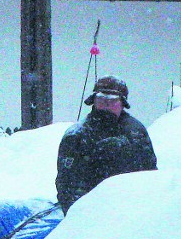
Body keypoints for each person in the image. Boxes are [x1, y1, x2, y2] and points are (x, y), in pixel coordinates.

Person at [56, 75, 157, 213]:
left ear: (122, 103)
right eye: (102, 99)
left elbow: (151, 176)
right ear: (93, 101)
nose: (107, 104)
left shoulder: (136, 132)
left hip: (135, 212)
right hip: (94, 215)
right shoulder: (77, 136)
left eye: (113, 100)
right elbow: (67, 186)